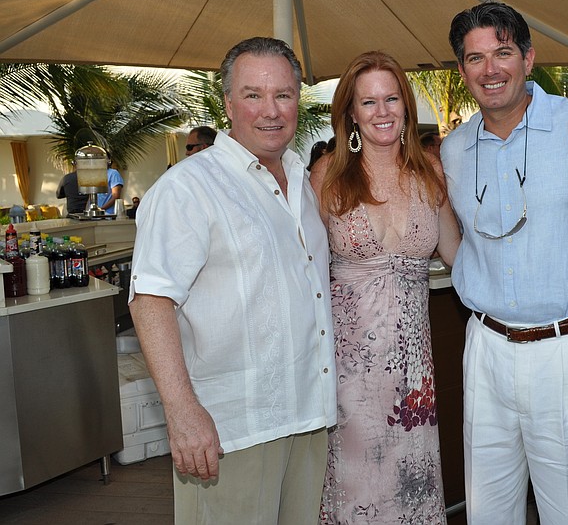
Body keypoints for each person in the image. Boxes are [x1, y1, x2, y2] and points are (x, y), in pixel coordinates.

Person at [128, 37, 336, 525]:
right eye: (252, 95)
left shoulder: (301, 181)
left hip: (307, 417)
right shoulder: (187, 188)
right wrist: (182, 412)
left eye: (283, 95)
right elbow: (150, 300)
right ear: (227, 103)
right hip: (230, 431)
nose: (270, 110)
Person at [440, 1, 568, 524]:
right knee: (487, 509)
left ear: (529, 59)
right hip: (485, 348)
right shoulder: (454, 150)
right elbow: (456, 236)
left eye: (503, 53)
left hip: (564, 349)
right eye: (475, 58)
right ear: (462, 69)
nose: (490, 69)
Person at [309, 50, 460, 525]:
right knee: (356, 491)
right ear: (351, 113)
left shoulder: (430, 173)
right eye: (368, 102)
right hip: (348, 373)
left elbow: (458, 255)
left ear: (406, 106)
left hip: (414, 373)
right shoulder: (327, 176)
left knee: (410, 490)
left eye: (391, 99)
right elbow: (304, 271)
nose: (382, 112)